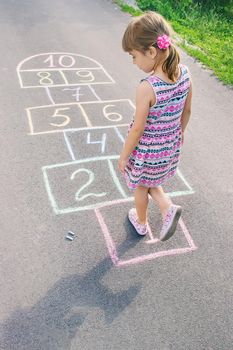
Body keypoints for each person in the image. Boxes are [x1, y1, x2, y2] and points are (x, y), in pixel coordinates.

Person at [118, 11, 192, 241]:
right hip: (169, 145)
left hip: (148, 149)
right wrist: (180, 133)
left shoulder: (147, 87)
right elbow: (187, 110)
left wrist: (124, 156)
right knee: (151, 181)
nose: (133, 62)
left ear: (151, 52)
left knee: (141, 185)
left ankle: (141, 222)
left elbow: (137, 129)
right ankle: (167, 207)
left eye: (133, 56)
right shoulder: (186, 74)